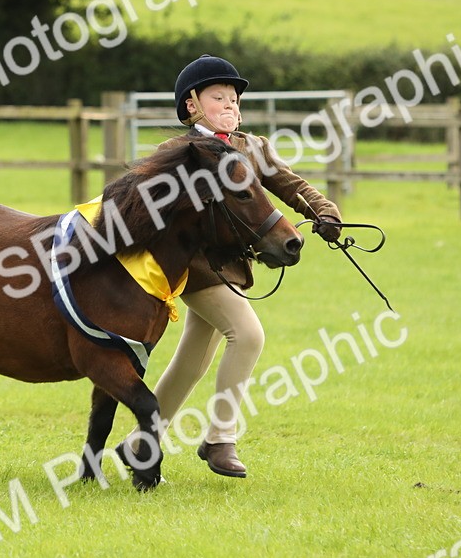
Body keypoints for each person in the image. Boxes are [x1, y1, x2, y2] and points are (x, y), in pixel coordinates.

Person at [120, 54, 344, 479]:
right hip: (195, 266)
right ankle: (221, 437)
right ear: (192, 106)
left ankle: (140, 443)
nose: (230, 106)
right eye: (218, 97)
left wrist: (324, 211)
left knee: (193, 361)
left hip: (232, 266)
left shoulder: (252, 147)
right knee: (248, 334)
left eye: (235, 100)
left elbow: (290, 184)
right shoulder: (178, 152)